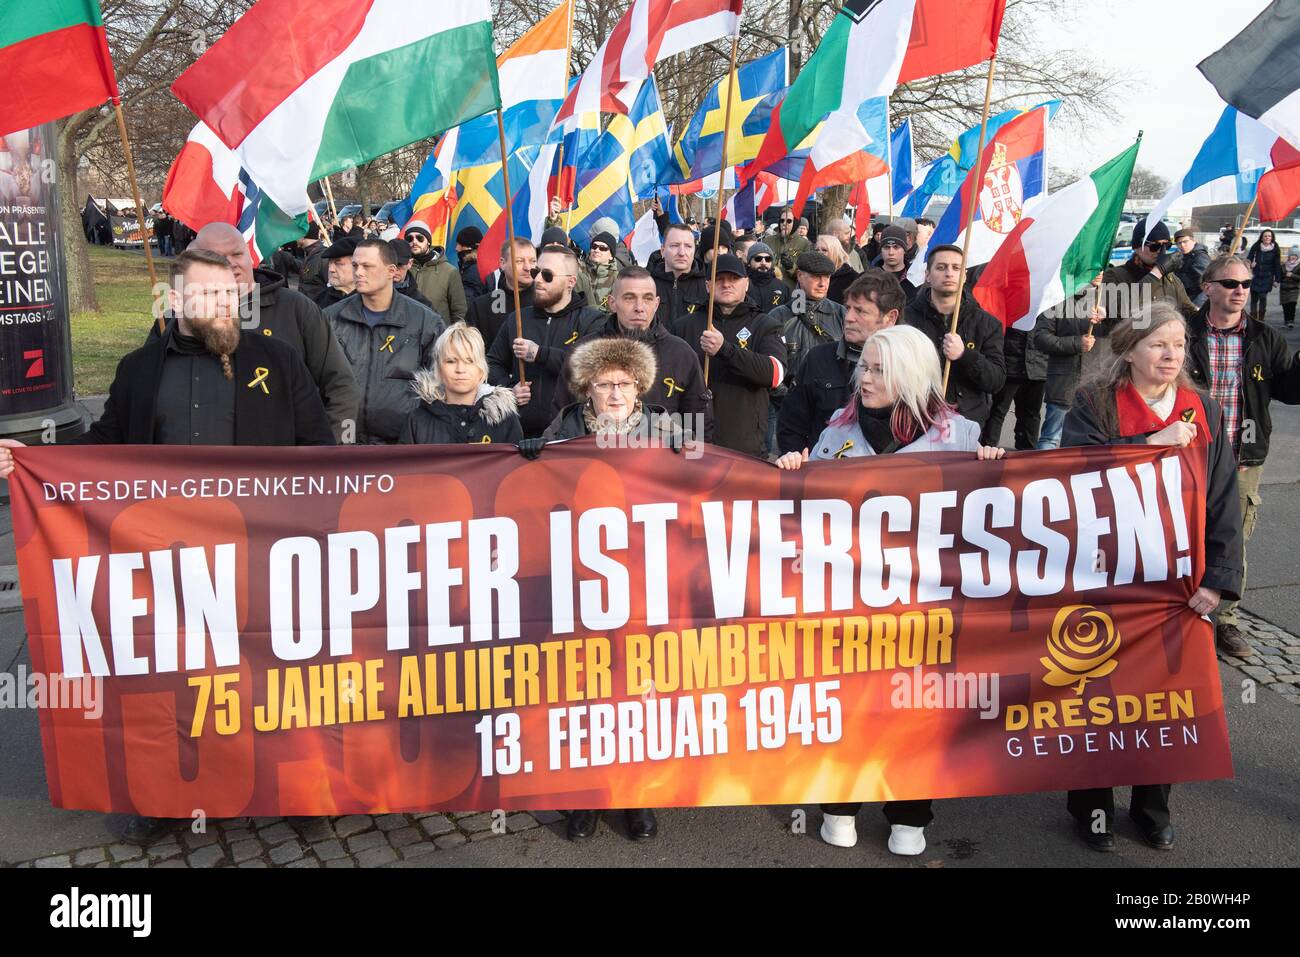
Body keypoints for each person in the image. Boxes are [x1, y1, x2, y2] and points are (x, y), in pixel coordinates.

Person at [772, 324, 1003, 857]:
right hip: (849, 606)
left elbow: (985, 518)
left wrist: (995, 472)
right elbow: (808, 510)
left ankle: (909, 813)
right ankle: (841, 805)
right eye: (863, 367)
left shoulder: (963, 437)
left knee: (917, 713)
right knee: (852, 704)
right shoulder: (836, 430)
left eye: (878, 369)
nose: (864, 378)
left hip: (925, 609)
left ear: (910, 374)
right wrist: (792, 471)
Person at [1061, 302, 1243, 852]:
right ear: (1130, 349)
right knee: (1096, 693)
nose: (1171, 355)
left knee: (1163, 697)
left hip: (1177, 584)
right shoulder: (1096, 403)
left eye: (1179, 346)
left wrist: (1217, 580)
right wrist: (1144, 449)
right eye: (1158, 344)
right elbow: (1071, 474)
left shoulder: (1200, 408)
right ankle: (1091, 808)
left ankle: (1151, 808)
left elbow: (1223, 502)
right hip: (1107, 574)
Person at [1184, 254, 1300, 655]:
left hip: (1242, 457)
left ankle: (1227, 619)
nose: (1240, 291)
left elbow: (1289, 391)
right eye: (1231, 283)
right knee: (1177, 535)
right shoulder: (1184, 332)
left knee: (1233, 539)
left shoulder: (1264, 337)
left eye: (1247, 284)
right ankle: (1176, 611)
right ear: (1208, 287)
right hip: (1185, 456)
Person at [188, 222, 359, 443]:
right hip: (208, 466)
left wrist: (335, 450)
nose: (231, 264)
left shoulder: (296, 309)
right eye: (217, 256)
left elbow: (342, 386)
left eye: (237, 254)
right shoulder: (184, 316)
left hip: (285, 465)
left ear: (249, 255)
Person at [552, 266, 712, 440]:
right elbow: (563, 415)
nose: (639, 307)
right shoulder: (584, 352)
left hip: (658, 461)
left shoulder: (681, 354)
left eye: (647, 299)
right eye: (629, 298)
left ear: (657, 304)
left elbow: (699, 424)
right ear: (612, 303)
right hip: (595, 459)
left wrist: (686, 449)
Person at [324, 238, 444, 444]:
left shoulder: (425, 322)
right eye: (355, 266)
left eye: (367, 266)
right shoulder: (329, 318)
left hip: (403, 444)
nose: (359, 272)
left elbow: (440, 384)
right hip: (342, 441)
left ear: (391, 271)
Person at [777, 269, 903, 455]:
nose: (848, 317)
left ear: (890, 317)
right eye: (849, 307)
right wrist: (798, 460)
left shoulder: (909, 366)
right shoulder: (818, 358)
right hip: (823, 475)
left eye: (860, 311)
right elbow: (791, 426)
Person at [670, 253, 786, 457]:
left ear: (746, 283)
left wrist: (725, 350)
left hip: (743, 446)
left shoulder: (765, 325)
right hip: (693, 445)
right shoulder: (683, 325)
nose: (726, 284)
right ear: (708, 285)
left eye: (733, 279)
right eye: (719, 279)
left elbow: (774, 374)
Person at [487, 245, 605, 438]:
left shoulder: (593, 321)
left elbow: (590, 368)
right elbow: (493, 362)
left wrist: (540, 354)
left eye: (548, 275)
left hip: (572, 436)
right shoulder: (518, 319)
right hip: (521, 436)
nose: (538, 280)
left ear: (571, 282)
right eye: (536, 272)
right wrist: (508, 391)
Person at [901, 244, 1006, 427]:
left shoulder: (986, 323)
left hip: (966, 422)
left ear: (964, 276)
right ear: (927, 275)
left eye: (956, 268)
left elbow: (995, 381)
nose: (949, 273)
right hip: (915, 417)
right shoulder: (905, 318)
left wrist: (965, 355)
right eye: (941, 267)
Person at [400, 323, 522, 445]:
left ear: (481, 369)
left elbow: (517, 463)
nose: (460, 369)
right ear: (438, 369)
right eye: (451, 361)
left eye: (469, 361)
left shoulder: (505, 419)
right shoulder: (416, 421)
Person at [1033, 277, 1109, 449]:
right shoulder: (1059, 297)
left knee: (1091, 445)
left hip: (1096, 386)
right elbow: (1041, 338)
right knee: (1051, 438)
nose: (1097, 273)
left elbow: (1127, 331)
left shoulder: (1111, 296)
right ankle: (1044, 474)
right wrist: (1076, 343)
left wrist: (1109, 318)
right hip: (1064, 382)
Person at [1101, 216, 1196, 322]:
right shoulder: (1116, 276)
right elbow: (1119, 311)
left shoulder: (1170, 279)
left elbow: (1189, 312)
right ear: (1137, 247)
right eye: (1155, 246)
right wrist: (1156, 273)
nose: (1161, 251)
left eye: (1166, 245)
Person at [980, 317, 1047, 449]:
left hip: (1037, 367)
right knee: (998, 410)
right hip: (1010, 365)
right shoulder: (1015, 300)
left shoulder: (1047, 302)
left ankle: (1027, 454)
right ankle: (987, 448)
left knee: (1031, 413)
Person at [466, 238, 537, 351]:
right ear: (502, 263)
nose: (528, 267)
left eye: (533, 261)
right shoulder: (481, 307)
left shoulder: (547, 303)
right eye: (519, 261)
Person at [404, 221, 467, 324]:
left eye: (419, 238)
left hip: (439, 336)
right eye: (409, 238)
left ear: (428, 241)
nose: (414, 242)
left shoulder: (449, 271)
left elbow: (459, 313)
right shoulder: (402, 269)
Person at [651, 223, 709, 324]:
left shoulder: (708, 286)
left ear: (694, 250)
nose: (682, 253)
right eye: (675, 245)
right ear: (663, 251)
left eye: (688, 246)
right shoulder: (648, 285)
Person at [388, 238, 436, 311]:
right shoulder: (369, 293)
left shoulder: (422, 304)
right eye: (391, 264)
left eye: (399, 264)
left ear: (410, 263)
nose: (394, 269)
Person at [743, 241, 792, 311]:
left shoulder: (783, 287)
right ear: (749, 262)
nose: (763, 262)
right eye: (758, 259)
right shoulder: (742, 285)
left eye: (768, 259)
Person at [1247, 228, 1283, 322]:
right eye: (1265, 236)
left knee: (1263, 297)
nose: (1267, 237)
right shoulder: (1256, 247)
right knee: (1254, 298)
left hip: (1267, 276)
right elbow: (1248, 259)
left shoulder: (1275, 249)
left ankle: (1261, 319)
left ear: (1272, 238)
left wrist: (1277, 279)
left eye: (1269, 236)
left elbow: (1277, 265)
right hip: (1255, 275)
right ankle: (1253, 319)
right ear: (1262, 238)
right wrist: (1250, 265)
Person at [313, 237, 359, 310]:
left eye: (339, 264)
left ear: (357, 266)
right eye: (330, 263)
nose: (331, 269)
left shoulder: (372, 300)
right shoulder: (321, 298)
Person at [875, 224, 917, 302]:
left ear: (904, 250)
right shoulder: (869, 278)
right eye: (886, 247)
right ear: (881, 250)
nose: (891, 252)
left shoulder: (915, 278)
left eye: (896, 247)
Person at [1171, 228, 1210, 307]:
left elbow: (1207, 284)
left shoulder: (1200, 257)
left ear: (1193, 241)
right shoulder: (1183, 255)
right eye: (1179, 243)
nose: (1182, 245)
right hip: (1183, 297)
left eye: (1185, 241)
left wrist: (1196, 305)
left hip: (1195, 300)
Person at [816, 234, 859, 305]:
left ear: (835, 252)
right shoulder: (811, 274)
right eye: (817, 250)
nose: (819, 253)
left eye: (824, 250)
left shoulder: (852, 278)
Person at [767, 208, 810, 279]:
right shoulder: (767, 241)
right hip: (770, 287)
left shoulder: (805, 244)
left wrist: (791, 267)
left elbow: (807, 276)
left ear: (795, 223)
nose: (784, 223)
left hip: (791, 288)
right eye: (782, 220)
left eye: (789, 221)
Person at [585, 231, 620, 312]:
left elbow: (613, 308)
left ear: (611, 256)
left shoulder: (617, 279)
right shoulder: (579, 269)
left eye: (602, 248)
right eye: (594, 246)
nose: (597, 250)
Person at [455, 226, 487, 300]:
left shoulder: (473, 271)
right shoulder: (470, 267)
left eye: (460, 245)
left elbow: (467, 303)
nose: (456, 248)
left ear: (469, 247)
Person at [1282, 245, 1300, 328]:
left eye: (1295, 255)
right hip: (1283, 289)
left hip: (1294, 288)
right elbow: (1280, 276)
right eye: (1291, 255)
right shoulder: (1283, 265)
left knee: (1292, 305)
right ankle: (1286, 321)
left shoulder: (1299, 266)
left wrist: (1292, 275)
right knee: (1285, 305)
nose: (1293, 257)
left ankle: (1291, 321)